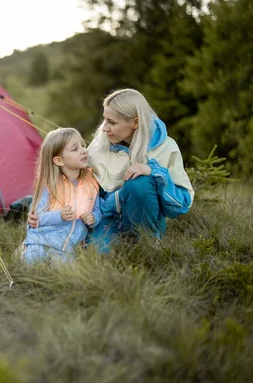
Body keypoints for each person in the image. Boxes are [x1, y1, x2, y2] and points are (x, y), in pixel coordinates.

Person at [29, 88, 194, 252]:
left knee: (140, 183)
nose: (104, 128)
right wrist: (39, 207)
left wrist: (153, 171)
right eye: (105, 120)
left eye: (112, 122)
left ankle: (146, 242)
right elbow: (69, 178)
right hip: (107, 219)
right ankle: (116, 240)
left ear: (135, 122)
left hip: (145, 218)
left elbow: (180, 205)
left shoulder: (166, 148)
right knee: (96, 254)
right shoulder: (98, 147)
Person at [22, 127, 102, 264]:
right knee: (28, 265)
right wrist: (59, 216)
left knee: (65, 271)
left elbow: (97, 209)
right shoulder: (49, 185)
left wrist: (94, 217)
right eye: (75, 149)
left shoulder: (91, 182)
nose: (83, 150)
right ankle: (23, 250)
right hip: (40, 242)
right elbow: (36, 220)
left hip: (67, 248)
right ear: (59, 161)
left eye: (83, 145)